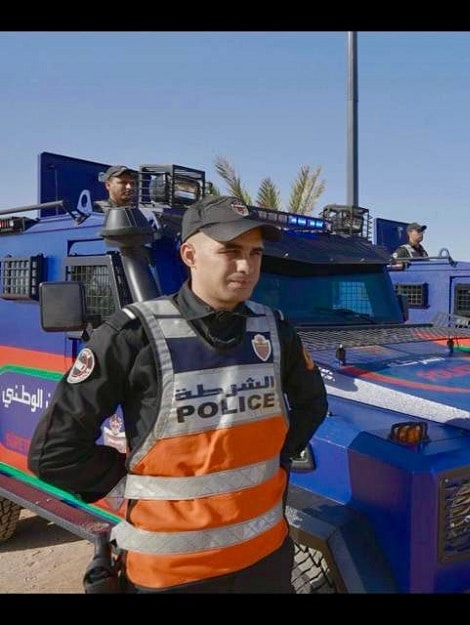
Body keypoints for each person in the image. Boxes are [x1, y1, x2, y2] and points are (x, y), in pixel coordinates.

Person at [28, 195, 329, 593]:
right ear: (189, 254)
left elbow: (312, 405)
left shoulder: (274, 330)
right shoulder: (133, 335)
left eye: (255, 253)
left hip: (266, 563)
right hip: (173, 574)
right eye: (230, 251)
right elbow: (54, 454)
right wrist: (137, 484)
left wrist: (265, 461)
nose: (246, 266)